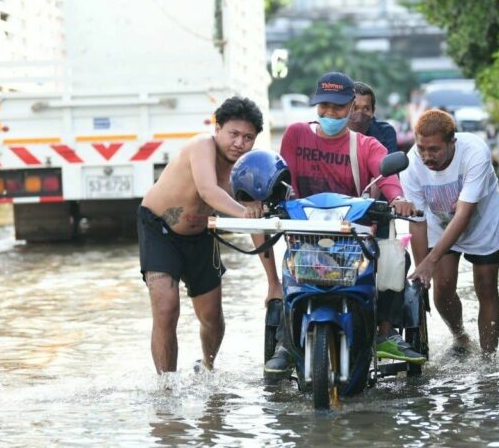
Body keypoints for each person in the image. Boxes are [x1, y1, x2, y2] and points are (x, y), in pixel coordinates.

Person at [264, 71, 426, 376]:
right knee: (290, 272)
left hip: (356, 239)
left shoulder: (365, 145)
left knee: (395, 257)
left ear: (351, 106)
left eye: (337, 106)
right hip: (307, 237)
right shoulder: (296, 135)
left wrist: (398, 198)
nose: (329, 112)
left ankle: (385, 333)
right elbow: (281, 178)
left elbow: (387, 175)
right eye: (323, 105)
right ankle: (286, 342)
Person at [137, 96, 275, 374]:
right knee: (167, 308)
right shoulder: (202, 146)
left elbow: (256, 225)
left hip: (201, 234)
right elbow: (208, 191)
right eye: (233, 134)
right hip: (159, 228)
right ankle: (167, 387)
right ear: (218, 128)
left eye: (247, 137)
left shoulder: (246, 169)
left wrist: (273, 282)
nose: (239, 143)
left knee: (213, 318)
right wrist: (244, 211)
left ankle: (208, 367)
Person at [405, 110, 499, 354]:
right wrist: (423, 268)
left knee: (486, 286)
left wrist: (431, 260)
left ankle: (488, 357)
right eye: (421, 148)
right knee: (442, 286)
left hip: (482, 225)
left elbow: (464, 214)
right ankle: (460, 336)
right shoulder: (411, 164)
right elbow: (417, 220)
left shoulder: (475, 152)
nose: (426, 156)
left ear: (452, 143)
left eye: (434, 149)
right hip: (439, 225)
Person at [349, 81, 399, 154]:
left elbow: (390, 163)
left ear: (373, 111)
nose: (359, 114)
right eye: (354, 108)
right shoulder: (336, 132)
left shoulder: (385, 133)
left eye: (366, 109)